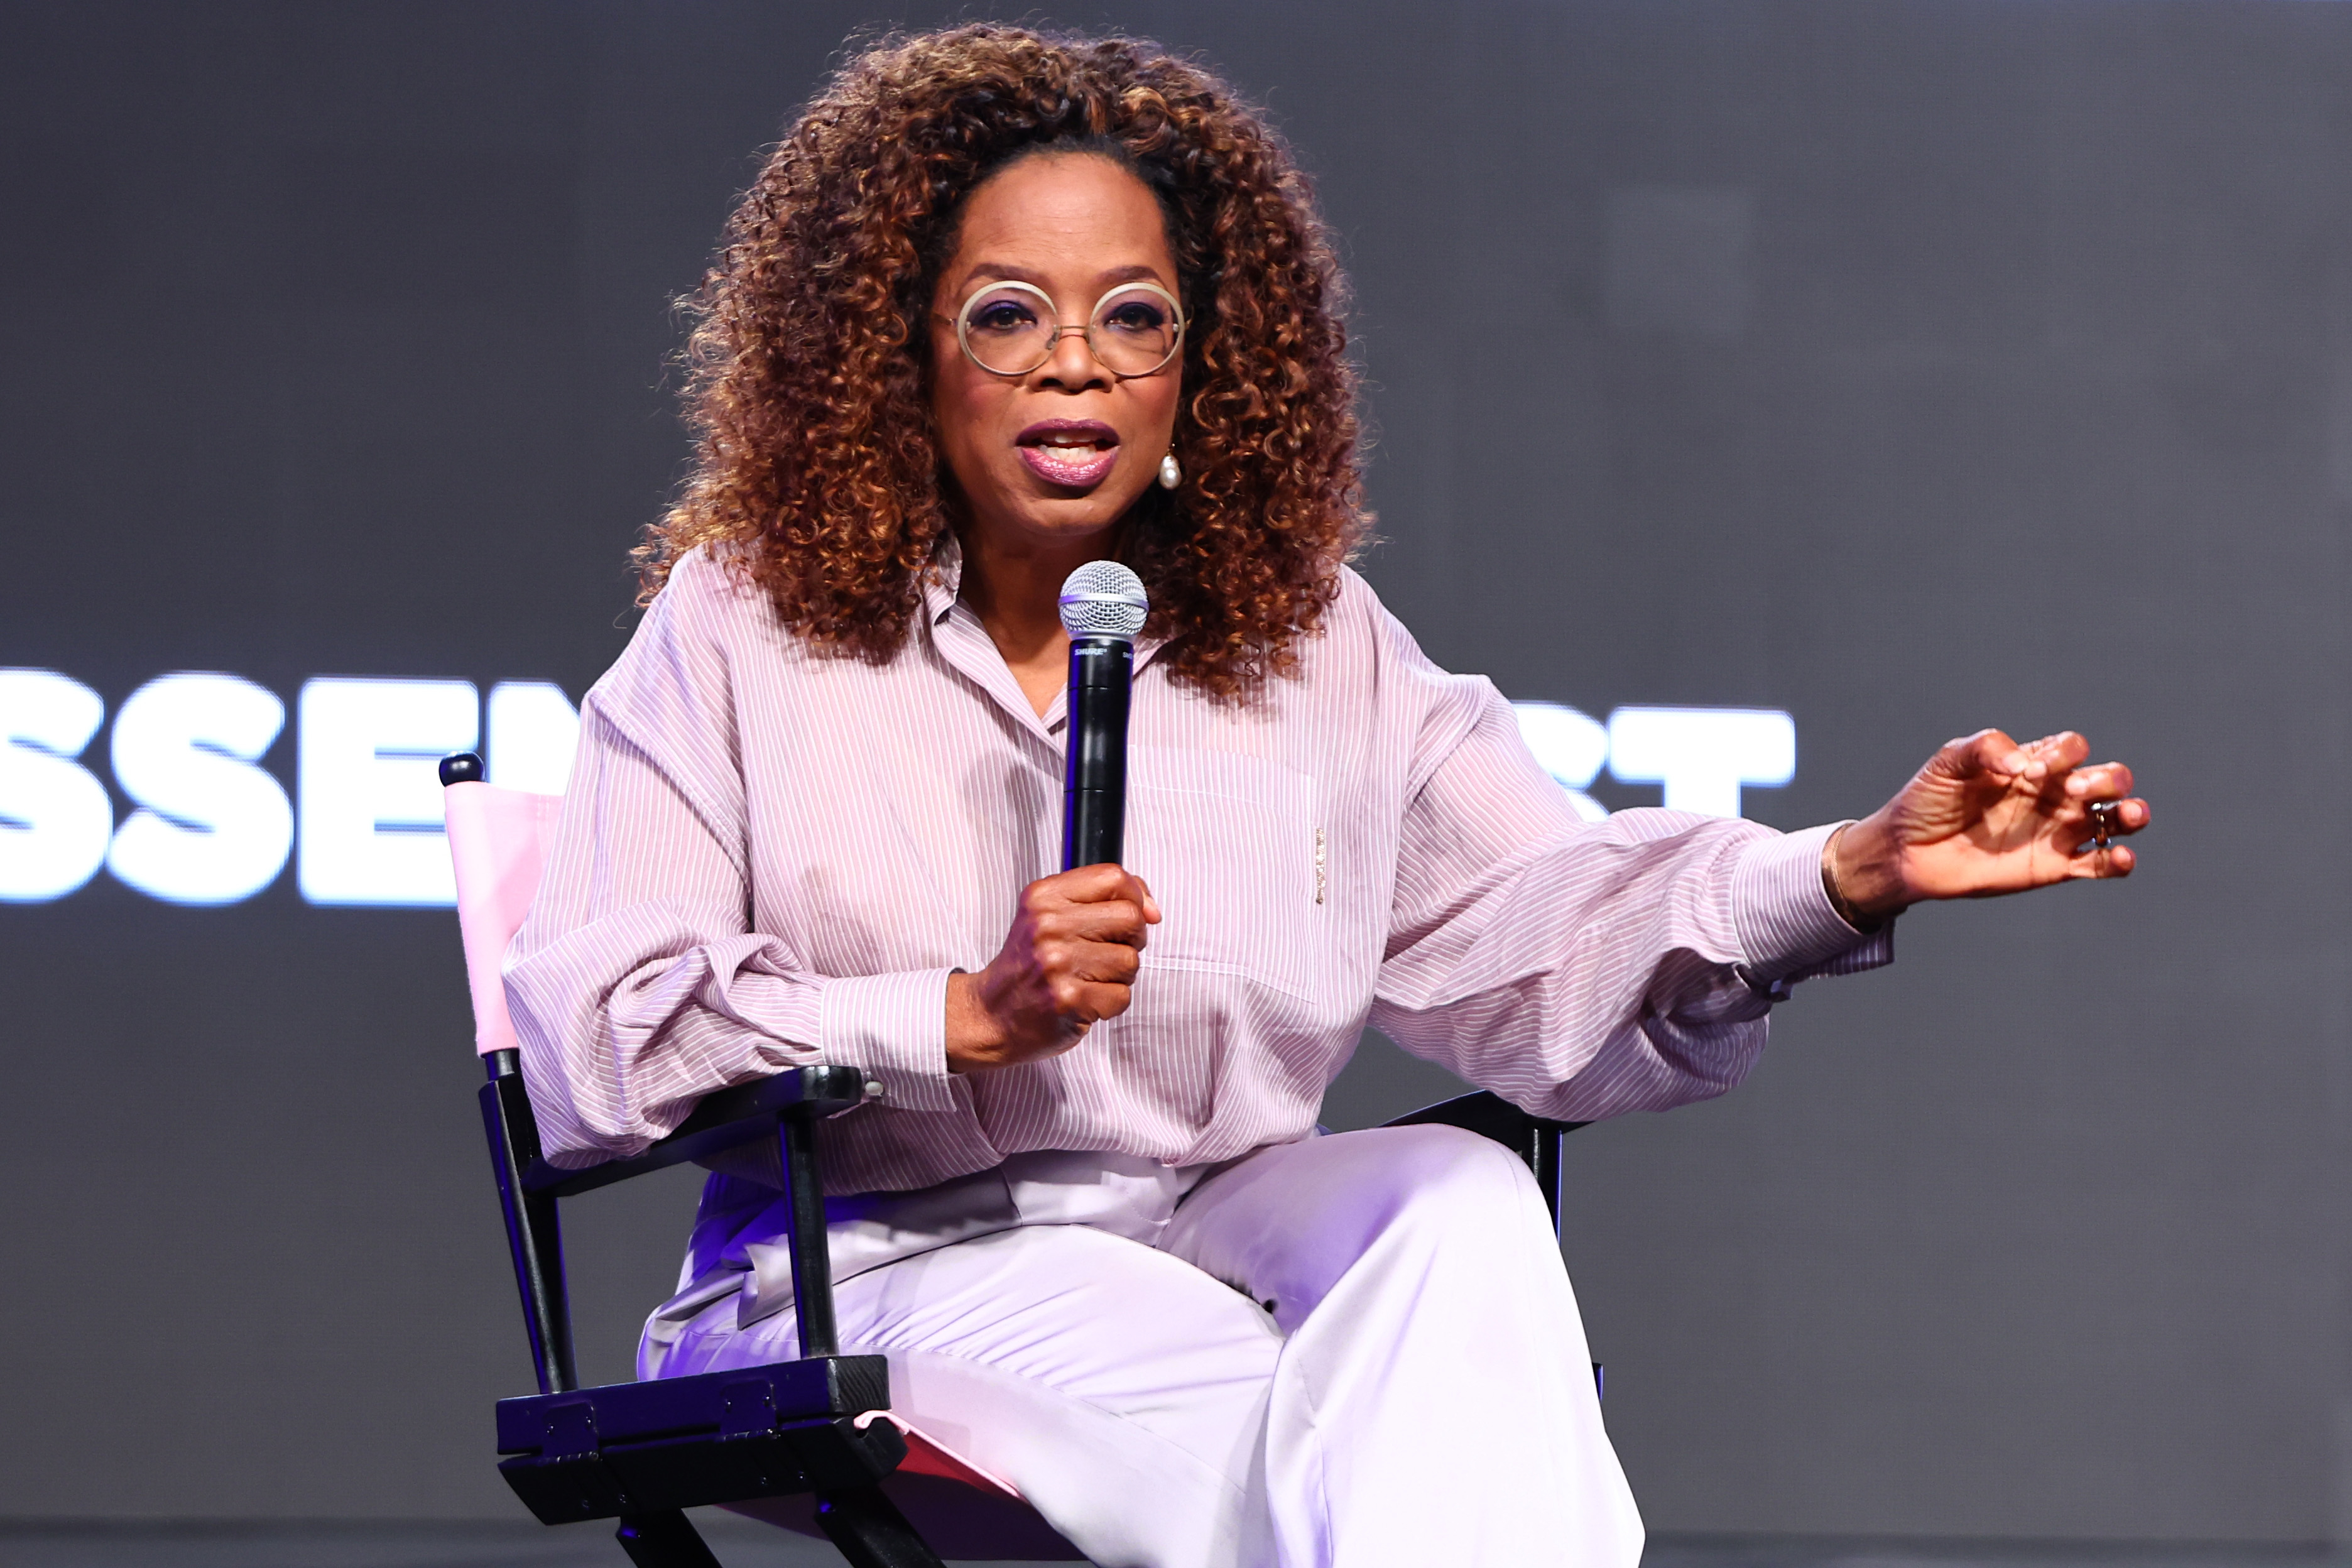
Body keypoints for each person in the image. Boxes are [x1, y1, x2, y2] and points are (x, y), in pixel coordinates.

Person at [506, 24, 2148, 1568]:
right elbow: (597, 1043)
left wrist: (1850, 872)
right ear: (901, 350)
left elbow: (1538, 929)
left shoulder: (1314, 646)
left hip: (1213, 1222)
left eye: (1136, 315)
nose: (1074, 362)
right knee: (1328, 1431)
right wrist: (956, 1014)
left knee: (1457, 1195)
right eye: (1007, 309)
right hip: (862, 1269)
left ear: (1205, 368)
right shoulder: (743, 627)